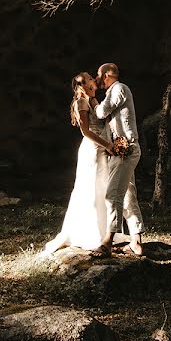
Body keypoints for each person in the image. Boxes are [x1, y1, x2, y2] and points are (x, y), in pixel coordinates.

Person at [41, 72, 114, 253]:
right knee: (90, 188)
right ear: (83, 85)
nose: (93, 80)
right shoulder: (82, 102)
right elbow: (86, 132)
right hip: (93, 149)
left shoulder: (93, 99)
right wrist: (107, 145)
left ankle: (105, 231)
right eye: (90, 79)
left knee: (102, 187)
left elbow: (103, 119)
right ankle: (90, 233)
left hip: (102, 148)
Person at [90, 63, 145, 257]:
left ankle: (107, 242)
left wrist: (92, 98)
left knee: (112, 194)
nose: (97, 79)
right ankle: (136, 239)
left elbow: (101, 112)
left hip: (127, 150)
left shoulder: (120, 89)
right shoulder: (114, 92)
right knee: (128, 194)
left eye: (98, 75)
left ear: (105, 75)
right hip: (117, 151)